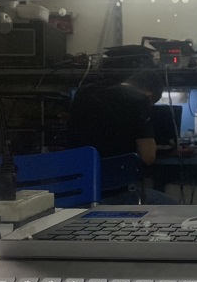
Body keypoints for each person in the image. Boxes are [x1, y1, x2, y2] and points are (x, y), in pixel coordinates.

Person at [68, 69, 176, 204]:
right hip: (118, 192)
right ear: (149, 95)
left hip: (80, 190)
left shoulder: (83, 92)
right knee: (171, 205)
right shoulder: (139, 99)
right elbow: (148, 157)